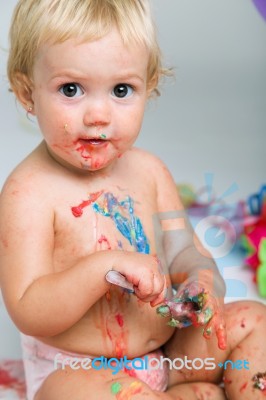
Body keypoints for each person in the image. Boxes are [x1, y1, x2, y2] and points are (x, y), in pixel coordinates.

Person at [0, 1, 265, 399]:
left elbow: (185, 253)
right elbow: (28, 309)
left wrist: (200, 281)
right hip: (74, 371)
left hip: (170, 356)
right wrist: (103, 267)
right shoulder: (28, 191)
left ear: (149, 84)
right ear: (27, 93)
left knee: (255, 322)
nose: (99, 114)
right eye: (70, 89)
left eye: (121, 90)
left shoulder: (150, 172)